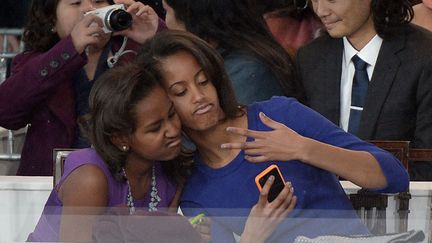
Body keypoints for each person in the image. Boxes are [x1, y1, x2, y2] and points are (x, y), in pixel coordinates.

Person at [137, 30, 409, 242]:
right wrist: (254, 235)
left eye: (203, 80)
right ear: (165, 105)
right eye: (181, 92)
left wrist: (303, 149)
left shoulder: (280, 114)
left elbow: (394, 176)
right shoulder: (196, 191)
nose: (199, 97)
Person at [0, 0, 160, 176]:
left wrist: (158, 36)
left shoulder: (135, 53)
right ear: (52, 20)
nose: (88, 9)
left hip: (125, 186)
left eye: (98, 2)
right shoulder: (38, 62)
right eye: (75, 3)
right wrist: (70, 48)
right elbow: (6, 112)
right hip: (51, 189)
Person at [296, 0, 432, 180]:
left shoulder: (424, 55)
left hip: (402, 201)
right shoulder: (310, 58)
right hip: (325, 203)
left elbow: (426, 164)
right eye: (314, 0)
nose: (321, 11)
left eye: (332, 0)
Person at [160, 0, 304, 104]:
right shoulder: (245, 53)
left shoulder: (246, 73)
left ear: (191, 19)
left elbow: (233, 139)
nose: (167, 24)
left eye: (166, 11)